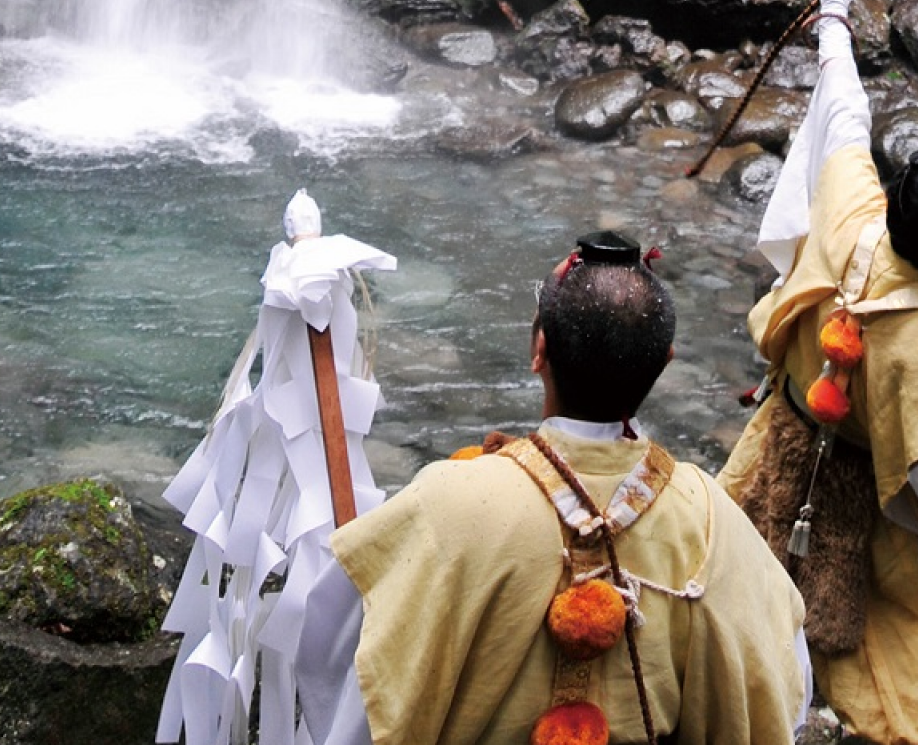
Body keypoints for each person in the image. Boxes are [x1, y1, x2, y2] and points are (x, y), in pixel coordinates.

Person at [295, 230, 810, 745]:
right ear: (665, 359)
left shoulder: (448, 502)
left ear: (539, 349)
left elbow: (344, 667)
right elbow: (782, 684)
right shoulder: (710, 519)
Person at [717, 0, 918, 745]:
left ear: (892, 202)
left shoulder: (852, 214)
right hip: (861, 493)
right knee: (907, 650)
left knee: (744, 580)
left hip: (783, 440)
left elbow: (845, 111)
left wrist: (833, 9)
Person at [158, 189, 398, 745]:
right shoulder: (290, 339)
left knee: (325, 546)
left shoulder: (331, 325)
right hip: (297, 413)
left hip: (331, 463)